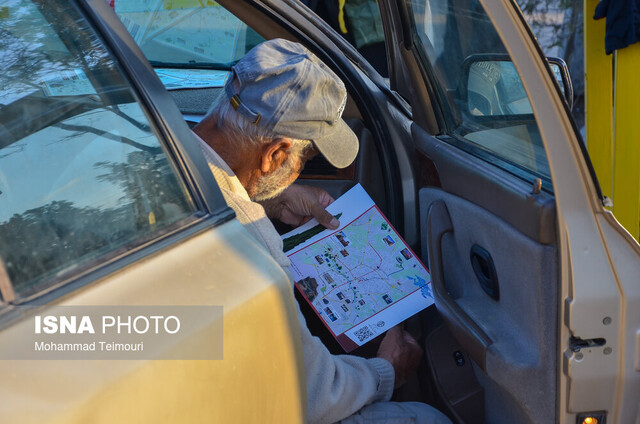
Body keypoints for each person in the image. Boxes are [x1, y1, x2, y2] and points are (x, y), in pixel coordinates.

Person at [193, 38, 451, 424]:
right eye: (306, 159)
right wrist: (386, 372)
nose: (297, 170)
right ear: (275, 155)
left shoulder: (158, 143)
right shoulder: (247, 243)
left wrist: (272, 199)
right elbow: (310, 395)